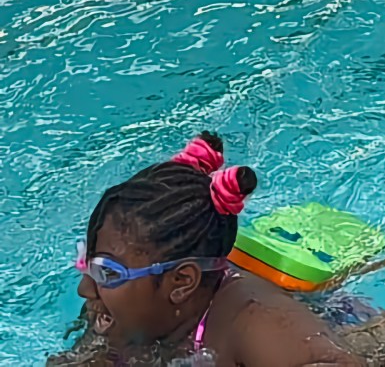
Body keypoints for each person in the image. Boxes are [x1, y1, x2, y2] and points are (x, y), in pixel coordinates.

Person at [73, 132, 362, 367]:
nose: (85, 288)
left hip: (325, 313)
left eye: (106, 272)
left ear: (181, 282)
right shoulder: (112, 311)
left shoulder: (256, 321)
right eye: (88, 263)